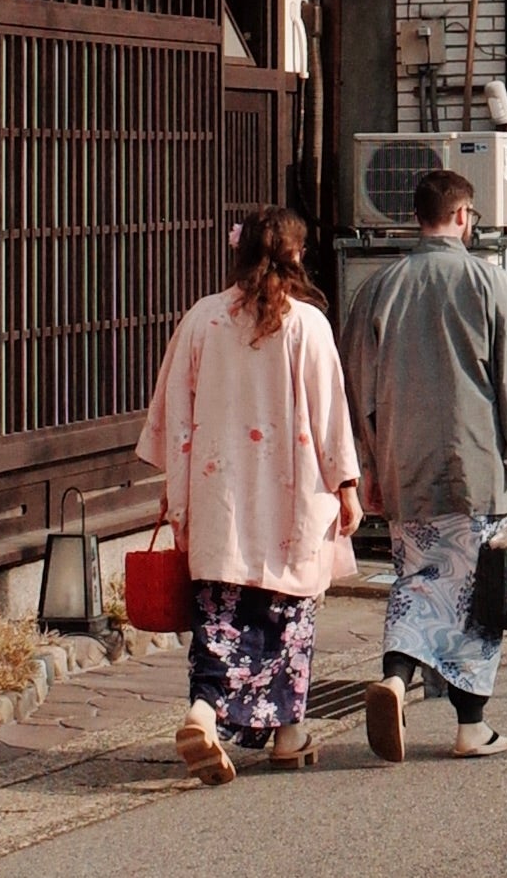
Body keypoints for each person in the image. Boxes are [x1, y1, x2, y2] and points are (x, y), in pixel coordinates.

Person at [138, 206, 362, 785]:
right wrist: (346, 486)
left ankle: (203, 711)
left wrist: (178, 488)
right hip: (290, 504)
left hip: (220, 504)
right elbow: (330, 414)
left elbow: (171, 416)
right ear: (296, 256)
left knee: (222, 623)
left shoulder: (202, 320)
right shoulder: (307, 324)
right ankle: (288, 735)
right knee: (288, 621)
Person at [342, 169, 507, 762]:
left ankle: (397, 677)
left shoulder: (379, 288)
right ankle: (471, 725)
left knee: (418, 582)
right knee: (476, 594)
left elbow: (359, 386)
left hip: (406, 465)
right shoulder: (490, 282)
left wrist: (369, 466)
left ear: (416, 217)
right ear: (462, 216)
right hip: (476, 465)